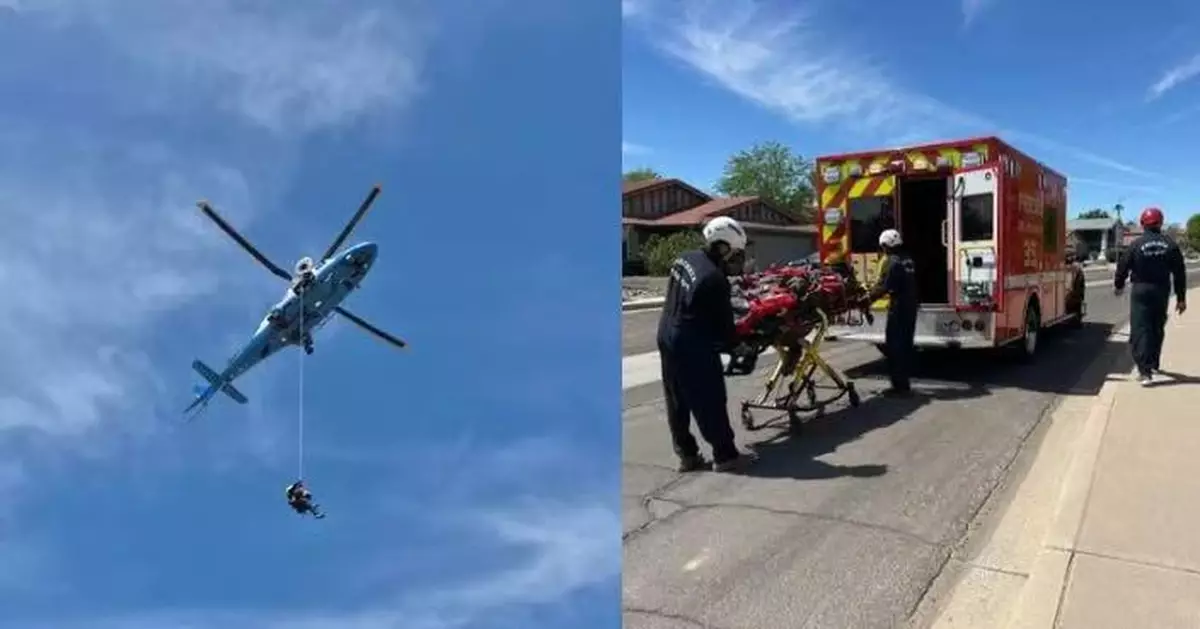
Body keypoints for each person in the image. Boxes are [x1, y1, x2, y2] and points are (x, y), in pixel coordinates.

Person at [657, 216, 758, 473]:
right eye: (735, 253)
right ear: (722, 247)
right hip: (692, 342)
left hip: (666, 333)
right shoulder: (714, 278)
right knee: (710, 398)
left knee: (676, 399)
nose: (737, 259)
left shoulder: (684, 258)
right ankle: (725, 456)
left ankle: (687, 455)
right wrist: (740, 348)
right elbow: (725, 330)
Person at [1114, 207, 1186, 386]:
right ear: (1160, 223)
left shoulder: (1136, 244)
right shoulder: (1170, 245)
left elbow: (1123, 266)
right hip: (1161, 290)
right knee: (1156, 327)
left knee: (1141, 328)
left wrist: (1119, 285)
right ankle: (1153, 362)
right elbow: (1179, 273)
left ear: (1142, 224)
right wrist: (1181, 298)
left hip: (1141, 289)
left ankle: (1144, 371)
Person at [862, 228, 918, 396]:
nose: (883, 250)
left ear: (886, 245)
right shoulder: (907, 259)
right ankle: (904, 384)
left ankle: (899, 388)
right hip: (910, 306)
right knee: (905, 345)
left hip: (899, 307)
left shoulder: (893, 263)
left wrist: (867, 299)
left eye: (883, 247)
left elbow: (885, 286)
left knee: (894, 346)